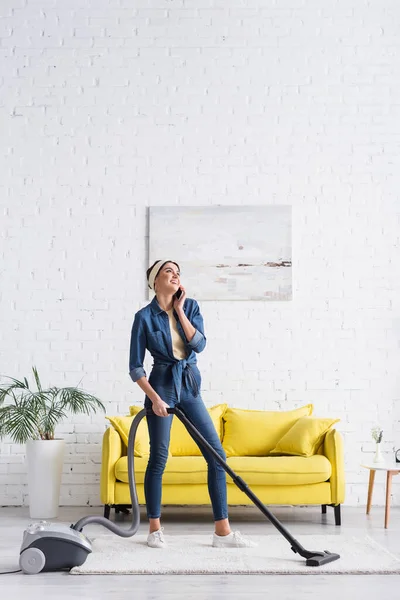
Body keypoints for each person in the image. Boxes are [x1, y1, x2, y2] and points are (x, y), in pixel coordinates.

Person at [129, 259, 256, 549]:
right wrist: (155, 398)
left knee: (216, 455)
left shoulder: (192, 307)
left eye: (177, 273)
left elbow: (199, 345)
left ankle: (222, 533)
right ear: (155, 281)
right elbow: (135, 367)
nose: (174, 276)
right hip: (161, 385)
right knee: (159, 457)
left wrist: (180, 310)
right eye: (167, 272)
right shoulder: (144, 317)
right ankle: (154, 530)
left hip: (190, 386)